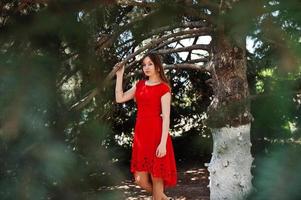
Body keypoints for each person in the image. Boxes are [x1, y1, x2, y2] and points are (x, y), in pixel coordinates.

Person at [115, 53, 177, 200]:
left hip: (157, 136)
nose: (146, 67)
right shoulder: (140, 85)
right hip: (141, 136)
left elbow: (166, 117)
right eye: (144, 65)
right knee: (140, 180)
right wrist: (119, 75)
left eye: (150, 64)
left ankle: (159, 197)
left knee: (157, 179)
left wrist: (163, 144)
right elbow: (120, 98)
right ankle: (163, 198)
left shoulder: (164, 88)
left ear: (157, 66)